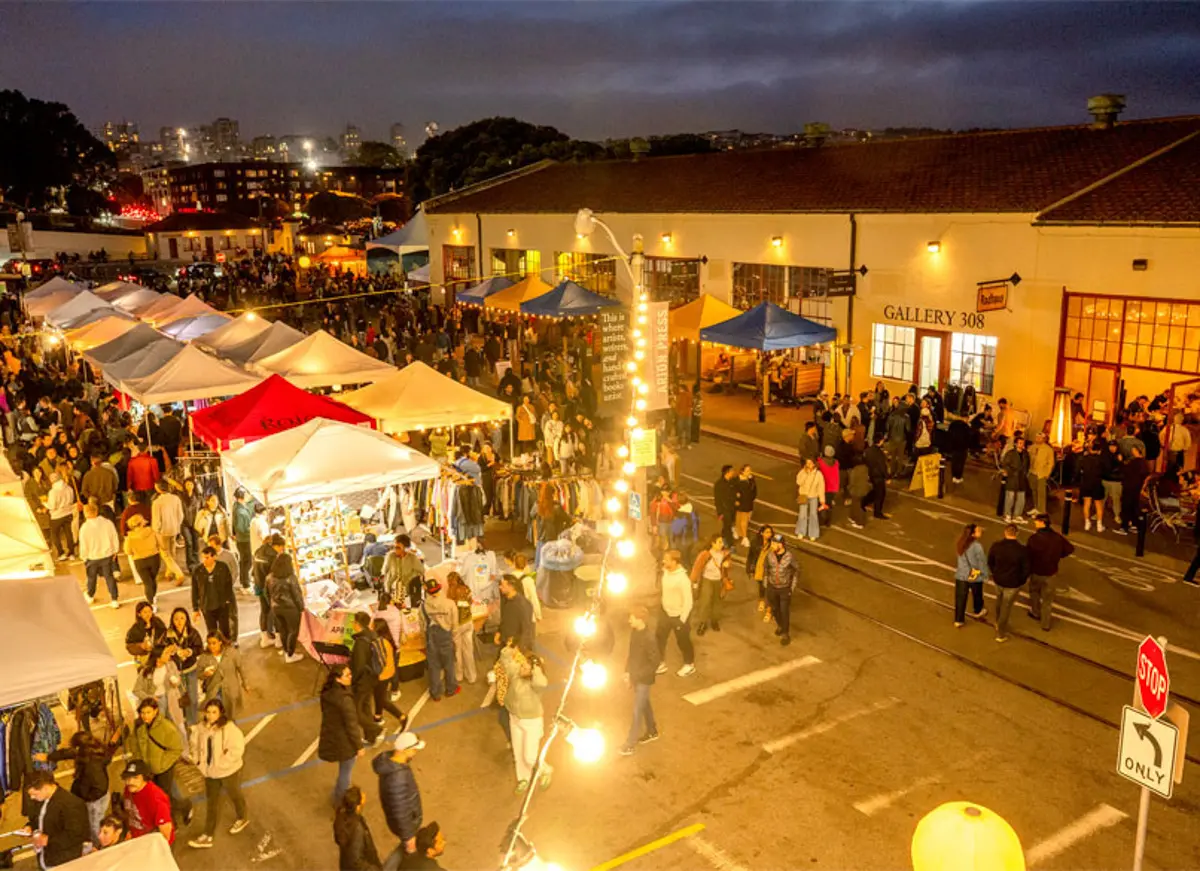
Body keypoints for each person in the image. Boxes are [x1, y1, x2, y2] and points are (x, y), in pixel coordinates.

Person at [186, 698, 250, 849]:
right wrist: (197, 760)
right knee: (212, 803)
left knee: (235, 795)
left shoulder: (229, 729)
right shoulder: (202, 728)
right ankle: (208, 834)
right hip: (210, 773)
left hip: (228, 772)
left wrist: (222, 764)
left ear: (221, 713)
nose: (210, 715)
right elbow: (195, 745)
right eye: (208, 712)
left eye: (214, 712)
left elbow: (237, 749)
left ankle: (242, 817)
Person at [34, 731, 116, 848]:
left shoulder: (92, 765)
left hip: (95, 800)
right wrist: (49, 757)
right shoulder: (89, 751)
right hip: (90, 796)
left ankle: (98, 848)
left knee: (94, 826)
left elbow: (100, 788)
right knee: (90, 824)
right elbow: (68, 752)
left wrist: (86, 799)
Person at [124, 698, 193, 825]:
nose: (145, 716)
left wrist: (162, 764)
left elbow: (177, 748)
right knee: (158, 797)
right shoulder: (141, 728)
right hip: (149, 770)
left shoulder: (166, 727)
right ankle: (182, 808)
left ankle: (172, 821)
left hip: (163, 769)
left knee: (162, 798)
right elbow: (137, 746)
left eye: (148, 712)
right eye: (143, 713)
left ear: (155, 711)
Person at [498, 644, 551, 793]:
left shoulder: (536, 683)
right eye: (522, 665)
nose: (521, 668)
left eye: (525, 668)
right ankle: (523, 778)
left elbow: (542, 682)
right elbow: (506, 661)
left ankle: (545, 770)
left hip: (531, 722)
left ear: (532, 671)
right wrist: (510, 650)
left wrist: (536, 668)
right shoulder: (516, 673)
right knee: (518, 753)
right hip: (514, 717)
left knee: (529, 756)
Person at [373, 732, 425, 861]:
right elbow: (399, 811)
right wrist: (408, 836)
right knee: (409, 857)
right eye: (414, 749)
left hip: (405, 824)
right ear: (405, 750)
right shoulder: (397, 778)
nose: (415, 752)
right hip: (407, 827)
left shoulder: (391, 763)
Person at [319, 665, 365, 809]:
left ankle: (337, 797)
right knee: (345, 773)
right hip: (344, 742)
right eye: (347, 675)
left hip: (332, 735)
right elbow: (352, 725)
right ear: (338, 679)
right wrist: (359, 746)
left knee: (344, 771)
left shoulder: (328, 693)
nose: (350, 677)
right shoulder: (345, 701)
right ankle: (339, 802)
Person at [23, 769, 89, 867]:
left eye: (34, 794)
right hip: (46, 857)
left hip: (64, 861)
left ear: (45, 787)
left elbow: (77, 835)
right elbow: (38, 819)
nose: (32, 797)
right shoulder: (41, 800)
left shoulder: (72, 804)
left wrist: (48, 840)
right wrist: (30, 827)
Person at [619, 604, 660, 756]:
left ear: (640, 619)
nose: (629, 620)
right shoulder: (635, 632)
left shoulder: (649, 638)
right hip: (636, 677)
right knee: (644, 704)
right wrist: (627, 672)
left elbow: (655, 662)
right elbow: (632, 654)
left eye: (632, 618)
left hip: (644, 679)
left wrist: (634, 675)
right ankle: (652, 730)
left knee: (637, 711)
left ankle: (630, 744)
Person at [1026, 514, 1075, 631]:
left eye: (1036, 521)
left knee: (1034, 592)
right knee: (1047, 600)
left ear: (1042, 523)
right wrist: (1058, 555)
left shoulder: (1034, 539)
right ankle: (1046, 624)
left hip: (1036, 571)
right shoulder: (1057, 538)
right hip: (1051, 572)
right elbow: (1069, 549)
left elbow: (1027, 555)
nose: (1035, 523)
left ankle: (1035, 612)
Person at [655, 550, 696, 677]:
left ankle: (689, 664)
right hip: (665, 613)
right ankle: (660, 663)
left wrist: (682, 620)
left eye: (666, 559)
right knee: (659, 638)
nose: (664, 561)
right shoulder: (665, 572)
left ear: (674, 562)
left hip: (679, 616)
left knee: (683, 641)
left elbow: (688, 602)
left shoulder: (683, 580)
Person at [987, 524, 1029, 642]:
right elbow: (1026, 569)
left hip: (999, 580)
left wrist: (995, 573)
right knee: (1006, 606)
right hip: (1013, 583)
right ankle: (1000, 633)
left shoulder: (996, 546)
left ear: (1005, 532)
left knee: (999, 601)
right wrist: (1021, 580)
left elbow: (990, 561)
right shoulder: (1022, 550)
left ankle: (997, 621)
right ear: (1017, 533)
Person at [349, 612, 386, 744]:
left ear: (357, 625)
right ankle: (370, 737)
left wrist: (352, 681)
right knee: (365, 706)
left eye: (353, 622)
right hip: (373, 677)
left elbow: (358, 666)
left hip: (362, 680)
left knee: (354, 709)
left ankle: (376, 730)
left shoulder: (360, 642)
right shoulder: (373, 635)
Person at [132, 645, 186, 734]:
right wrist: (150, 697)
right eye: (166, 653)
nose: (169, 655)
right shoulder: (146, 671)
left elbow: (178, 680)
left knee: (180, 727)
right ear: (158, 657)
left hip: (172, 698)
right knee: (159, 729)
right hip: (156, 702)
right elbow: (136, 690)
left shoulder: (171, 665)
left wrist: (176, 682)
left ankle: (185, 748)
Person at [119, 759, 175, 844]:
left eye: (135, 778)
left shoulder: (156, 799)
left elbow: (165, 835)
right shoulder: (130, 789)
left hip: (152, 844)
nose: (130, 782)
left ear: (145, 778)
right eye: (128, 777)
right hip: (137, 839)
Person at [422, 580, 460, 701]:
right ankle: (451, 689)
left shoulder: (423, 605)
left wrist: (425, 638)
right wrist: (453, 637)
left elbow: (422, 624)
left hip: (431, 636)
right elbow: (455, 623)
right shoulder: (450, 603)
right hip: (446, 635)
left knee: (434, 666)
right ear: (440, 588)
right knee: (449, 664)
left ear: (427, 591)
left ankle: (435, 692)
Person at [197, 631, 249, 719]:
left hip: (230, 691)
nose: (211, 646)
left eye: (214, 643)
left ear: (220, 642)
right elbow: (198, 674)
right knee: (216, 717)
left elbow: (241, 668)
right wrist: (205, 674)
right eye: (209, 643)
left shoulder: (232, 653)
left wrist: (245, 683)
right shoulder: (204, 657)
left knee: (230, 716)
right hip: (214, 692)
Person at [165, 607, 204, 726]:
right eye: (176, 618)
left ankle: (192, 722)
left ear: (186, 619)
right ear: (172, 620)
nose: (179, 621)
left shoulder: (192, 632)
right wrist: (171, 652)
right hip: (175, 672)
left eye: (182, 618)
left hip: (190, 669)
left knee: (192, 696)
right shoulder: (167, 635)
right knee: (180, 697)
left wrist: (189, 651)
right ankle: (183, 720)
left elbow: (200, 648)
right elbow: (162, 651)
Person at [79, 502, 120, 607]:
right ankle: (114, 599)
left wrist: (84, 557)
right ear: (96, 511)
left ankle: (90, 595)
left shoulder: (84, 528)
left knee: (91, 578)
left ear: (85, 513)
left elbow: (84, 544)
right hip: (107, 555)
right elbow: (114, 537)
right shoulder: (107, 523)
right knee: (109, 577)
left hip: (92, 557)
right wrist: (115, 550)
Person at [266, 551, 305, 663]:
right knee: (293, 631)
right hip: (290, 609)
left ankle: (286, 651)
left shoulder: (269, 577)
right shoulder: (290, 578)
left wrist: (272, 604)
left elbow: (266, 593)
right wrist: (301, 608)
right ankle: (290, 654)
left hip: (276, 608)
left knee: (283, 630)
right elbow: (297, 595)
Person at [192, 546, 236, 642]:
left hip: (222, 605)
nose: (204, 560)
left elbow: (228, 585)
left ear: (214, 557)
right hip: (207, 607)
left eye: (207, 558)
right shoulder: (198, 571)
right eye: (203, 557)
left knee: (225, 631)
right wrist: (195, 608)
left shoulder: (223, 567)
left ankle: (227, 648)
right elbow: (195, 590)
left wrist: (228, 600)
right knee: (211, 632)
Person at [690, 534, 731, 636]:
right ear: (713, 543)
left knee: (717, 601)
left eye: (722, 542)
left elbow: (726, 569)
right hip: (707, 579)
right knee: (705, 601)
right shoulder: (705, 554)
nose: (721, 544)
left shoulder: (725, 554)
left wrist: (727, 565)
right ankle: (702, 623)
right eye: (719, 542)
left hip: (719, 581)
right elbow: (697, 568)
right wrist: (694, 581)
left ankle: (714, 620)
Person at [334, 786, 383, 871]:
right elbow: (356, 861)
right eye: (362, 799)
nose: (364, 799)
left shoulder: (341, 818)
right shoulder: (357, 829)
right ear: (357, 807)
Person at [763, 534, 798, 646]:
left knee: (784, 611)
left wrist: (791, 588)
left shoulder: (789, 557)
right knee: (774, 609)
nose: (772, 545)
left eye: (774, 543)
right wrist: (766, 583)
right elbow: (766, 568)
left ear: (781, 545)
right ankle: (780, 625)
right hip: (772, 587)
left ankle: (785, 633)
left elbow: (797, 570)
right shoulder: (769, 555)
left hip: (784, 588)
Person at [953, 524, 989, 627]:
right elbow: (981, 562)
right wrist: (985, 575)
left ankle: (959, 620)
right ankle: (978, 611)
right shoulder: (977, 546)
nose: (980, 531)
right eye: (978, 530)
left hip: (961, 574)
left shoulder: (960, 543)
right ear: (973, 534)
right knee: (977, 593)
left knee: (960, 597)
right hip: (974, 575)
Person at [254, 533, 286, 649]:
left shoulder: (259, 550)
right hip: (270, 589)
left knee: (264, 611)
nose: (282, 550)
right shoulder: (274, 557)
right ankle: (278, 640)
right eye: (282, 547)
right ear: (277, 546)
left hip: (259, 585)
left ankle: (264, 639)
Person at [150, 479, 186, 584]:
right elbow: (181, 515)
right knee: (172, 550)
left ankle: (178, 573)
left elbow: (156, 520)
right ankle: (169, 572)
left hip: (163, 531)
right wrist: (177, 525)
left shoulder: (157, 502)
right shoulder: (176, 498)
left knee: (165, 553)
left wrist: (156, 531)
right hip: (174, 529)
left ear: (158, 488)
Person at [445, 572, 478, 685]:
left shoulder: (451, 591)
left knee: (457, 651)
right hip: (468, 621)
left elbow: (449, 609)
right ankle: (471, 676)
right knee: (468, 650)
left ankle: (459, 675)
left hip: (457, 624)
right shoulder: (466, 588)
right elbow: (470, 602)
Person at [124, 515, 162, 604]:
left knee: (147, 582)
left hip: (139, 561)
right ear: (141, 523)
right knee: (152, 579)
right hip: (154, 558)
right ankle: (153, 595)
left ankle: (151, 602)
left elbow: (128, 551)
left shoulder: (129, 537)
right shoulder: (152, 531)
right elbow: (161, 544)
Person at [745, 524, 776, 621]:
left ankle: (769, 609)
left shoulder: (773, 544)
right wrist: (749, 568)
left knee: (770, 589)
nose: (769, 534)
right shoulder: (755, 543)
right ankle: (762, 601)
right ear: (762, 533)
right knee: (761, 586)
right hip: (759, 569)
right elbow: (750, 556)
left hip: (769, 571)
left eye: (770, 532)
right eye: (767, 532)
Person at [496, 574, 535, 650]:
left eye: (502, 585)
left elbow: (526, 629)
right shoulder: (505, 599)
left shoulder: (523, 604)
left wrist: (519, 647)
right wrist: (499, 632)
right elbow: (504, 619)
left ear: (511, 587)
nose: (499, 587)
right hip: (505, 642)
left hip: (516, 646)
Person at [1118, 445, 1151, 536]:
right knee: (1134, 506)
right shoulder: (1144, 463)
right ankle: (1134, 524)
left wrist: (1121, 462)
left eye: (1133, 450)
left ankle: (1124, 527)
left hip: (1129, 486)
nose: (1132, 452)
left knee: (1126, 506)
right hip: (1137, 487)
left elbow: (1125, 470)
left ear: (1137, 451)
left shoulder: (1135, 462)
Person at [45, 472, 76, 561]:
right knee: (69, 533)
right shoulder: (69, 488)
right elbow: (71, 500)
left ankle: (61, 553)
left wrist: (45, 504)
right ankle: (71, 553)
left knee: (55, 535)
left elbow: (52, 506)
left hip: (56, 516)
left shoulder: (53, 492)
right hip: (68, 513)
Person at [1077, 441, 1106, 532]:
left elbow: (1078, 469)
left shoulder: (1084, 458)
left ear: (1090, 449)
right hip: (1097, 483)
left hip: (1086, 483)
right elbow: (1106, 471)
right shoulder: (1101, 460)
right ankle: (1099, 525)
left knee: (1086, 504)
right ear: (1099, 450)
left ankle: (1087, 523)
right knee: (1098, 504)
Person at [1002, 436, 1031, 523]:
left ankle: (1017, 515)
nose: (1022, 445)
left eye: (1023, 443)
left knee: (1021, 497)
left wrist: (1025, 472)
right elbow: (1005, 464)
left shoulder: (1026, 454)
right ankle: (1007, 514)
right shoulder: (1010, 453)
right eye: (1020, 443)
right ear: (1015, 444)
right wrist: (1011, 472)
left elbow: (1027, 464)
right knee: (1010, 497)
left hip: (1022, 478)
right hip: (1013, 478)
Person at [862, 433, 890, 520]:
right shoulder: (879, 453)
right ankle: (877, 512)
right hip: (878, 476)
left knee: (875, 491)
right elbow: (882, 466)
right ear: (880, 441)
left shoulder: (868, 450)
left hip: (871, 474)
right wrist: (887, 477)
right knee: (880, 494)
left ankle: (864, 502)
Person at [232, 489, 254, 591]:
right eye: (246, 493)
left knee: (244, 560)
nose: (248, 495)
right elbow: (240, 528)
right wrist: (251, 530)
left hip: (242, 539)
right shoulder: (240, 511)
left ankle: (244, 580)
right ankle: (246, 583)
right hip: (244, 539)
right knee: (247, 561)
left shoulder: (238, 506)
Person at [1027, 432, 1055, 515]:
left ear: (1044, 439)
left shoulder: (1048, 449)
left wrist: (1047, 473)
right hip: (1032, 472)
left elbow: (1051, 463)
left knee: (1041, 492)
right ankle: (1036, 507)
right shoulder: (1032, 447)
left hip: (1041, 474)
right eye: (1037, 437)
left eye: (1040, 438)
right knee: (1034, 491)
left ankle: (1041, 510)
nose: (1038, 439)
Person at [712, 465, 737, 549]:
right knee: (728, 527)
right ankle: (730, 544)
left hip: (732, 509)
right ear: (727, 472)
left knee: (727, 526)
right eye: (732, 471)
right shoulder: (719, 484)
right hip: (725, 510)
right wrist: (720, 512)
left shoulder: (731, 481)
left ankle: (723, 538)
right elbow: (717, 499)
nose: (733, 472)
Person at [733, 464, 757, 548]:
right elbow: (732, 490)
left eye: (750, 470)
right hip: (741, 502)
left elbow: (754, 490)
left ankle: (737, 530)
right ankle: (744, 537)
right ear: (742, 471)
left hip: (748, 502)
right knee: (744, 520)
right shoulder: (737, 480)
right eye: (747, 470)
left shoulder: (750, 480)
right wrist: (736, 499)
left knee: (740, 518)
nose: (749, 472)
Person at [817, 446, 840, 526]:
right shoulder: (836, 463)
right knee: (829, 504)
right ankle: (828, 521)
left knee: (821, 504)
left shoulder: (820, 462)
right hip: (832, 488)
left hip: (823, 487)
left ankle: (821, 520)